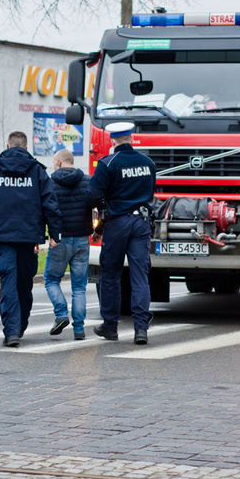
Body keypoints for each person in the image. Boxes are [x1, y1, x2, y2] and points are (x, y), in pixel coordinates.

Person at [0, 131, 62, 347]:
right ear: (26, 148)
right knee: (24, 284)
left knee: (8, 280)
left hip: (4, 237)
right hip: (29, 238)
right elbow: (50, 204)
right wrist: (55, 234)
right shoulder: (37, 170)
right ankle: (19, 326)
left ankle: (12, 331)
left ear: (8, 146)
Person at [87, 122, 156, 345]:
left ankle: (110, 326)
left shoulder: (107, 164)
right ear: (131, 138)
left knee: (110, 276)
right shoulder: (148, 163)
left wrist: (101, 218)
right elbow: (150, 191)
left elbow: (93, 196)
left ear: (112, 140)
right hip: (141, 223)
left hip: (117, 223)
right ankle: (141, 330)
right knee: (140, 277)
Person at [45, 148, 92, 340]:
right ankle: (79, 329)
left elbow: (46, 210)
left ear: (59, 162)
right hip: (82, 239)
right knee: (79, 287)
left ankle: (61, 313)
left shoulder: (50, 183)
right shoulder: (88, 181)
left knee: (51, 279)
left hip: (60, 240)